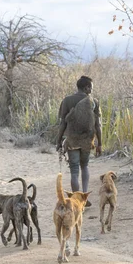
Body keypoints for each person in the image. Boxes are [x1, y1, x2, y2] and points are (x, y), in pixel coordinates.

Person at [55, 75, 102, 207]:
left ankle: (76, 199)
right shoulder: (93, 102)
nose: (91, 90)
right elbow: (98, 125)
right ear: (86, 87)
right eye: (91, 87)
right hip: (87, 140)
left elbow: (62, 123)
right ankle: (84, 196)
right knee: (85, 166)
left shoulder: (67, 101)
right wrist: (100, 143)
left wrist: (58, 141)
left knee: (74, 170)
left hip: (72, 140)